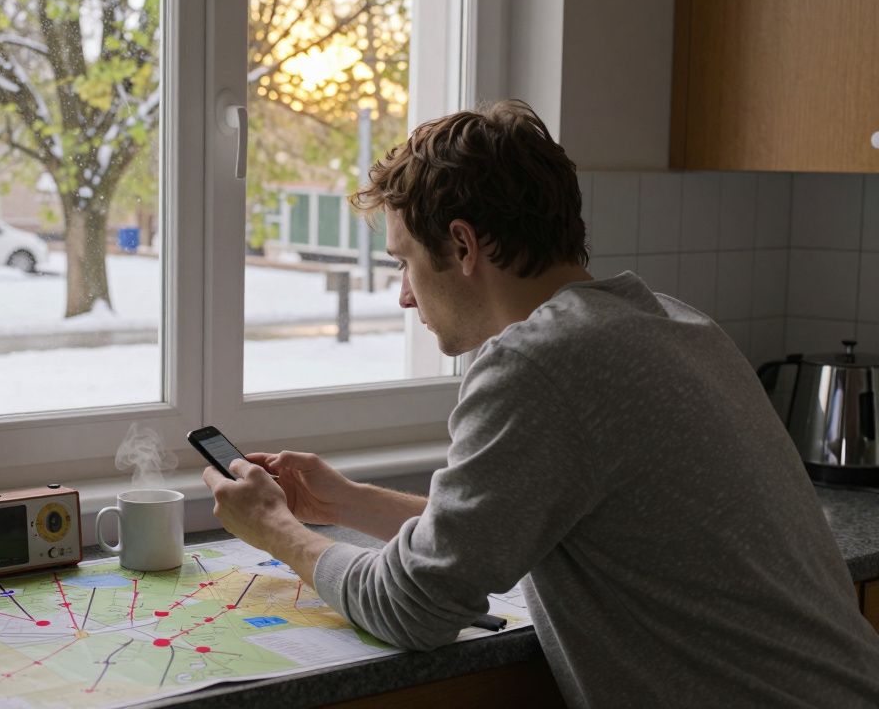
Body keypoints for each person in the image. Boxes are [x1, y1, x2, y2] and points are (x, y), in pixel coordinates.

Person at [201, 100, 879, 707]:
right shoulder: (670, 323)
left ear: (463, 246)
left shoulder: (537, 365)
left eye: (403, 262)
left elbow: (416, 607)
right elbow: (507, 526)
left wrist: (276, 530)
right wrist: (343, 501)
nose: (404, 295)